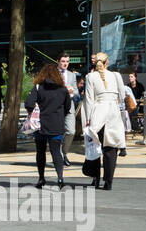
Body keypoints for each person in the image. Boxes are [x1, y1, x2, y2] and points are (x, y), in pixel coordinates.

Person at [84, 52, 131, 190]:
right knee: (111, 148)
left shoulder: (90, 77)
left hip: (98, 112)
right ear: (107, 62)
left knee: (95, 147)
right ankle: (108, 181)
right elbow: (122, 95)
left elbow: (89, 99)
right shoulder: (116, 75)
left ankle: (95, 178)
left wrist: (88, 118)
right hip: (113, 113)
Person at [24, 64, 72, 188]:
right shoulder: (63, 89)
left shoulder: (38, 88)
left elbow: (29, 104)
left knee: (40, 152)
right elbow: (67, 107)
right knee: (56, 152)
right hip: (56, 125)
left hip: (40, 126)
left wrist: (35, 110)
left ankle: (41, 178)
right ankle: (60, 178)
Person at [56, 52, 80, 166]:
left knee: (71, 131)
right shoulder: (53, 74)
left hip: (69, 106)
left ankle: (63, 153)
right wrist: (63, 89)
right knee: (57, 132)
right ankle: (58, 155)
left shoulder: (72, 75)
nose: (65, 64)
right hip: (56, 107)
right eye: (63, 61)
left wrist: (72, 91)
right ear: (58, 62)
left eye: (67, 61)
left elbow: (76, 92)